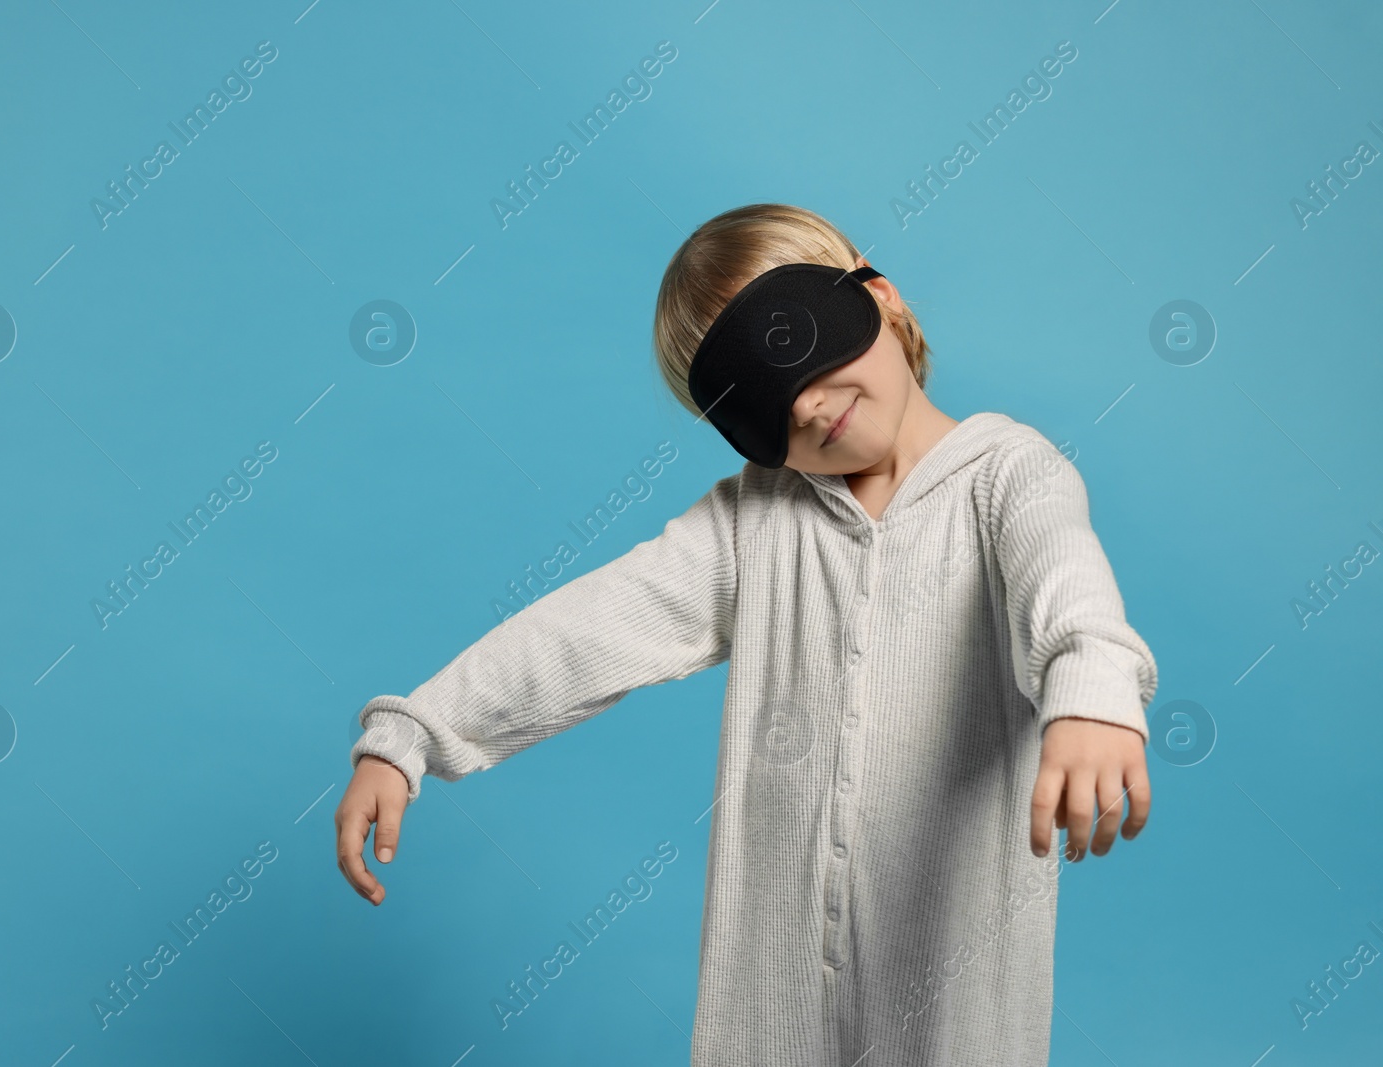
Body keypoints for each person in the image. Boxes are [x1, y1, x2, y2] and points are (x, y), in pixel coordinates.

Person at [335, 202, 1158, 1066]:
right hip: (770, 1006)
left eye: (798, 345)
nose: (804, 401)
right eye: (757, 398)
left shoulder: (1008, 476)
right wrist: (411, 733)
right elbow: (588, 626)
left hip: (955, 1005)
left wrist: (1092, 694)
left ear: (884, 298)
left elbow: (1067, 585)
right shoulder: (753, 522)